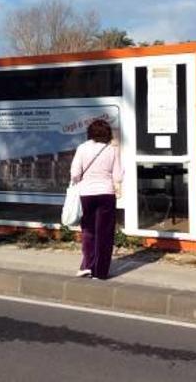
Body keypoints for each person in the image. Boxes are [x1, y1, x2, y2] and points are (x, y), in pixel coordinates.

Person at [70, 119, 123, 279]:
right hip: (106, 193)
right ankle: (100, 272)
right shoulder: (112, 150)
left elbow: (75, 173)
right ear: (107, 133)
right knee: (105, 233)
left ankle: (87, 265)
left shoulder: (82, 148)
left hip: (86, 194)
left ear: (90, 133)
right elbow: (118, 174)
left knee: (88, 231)